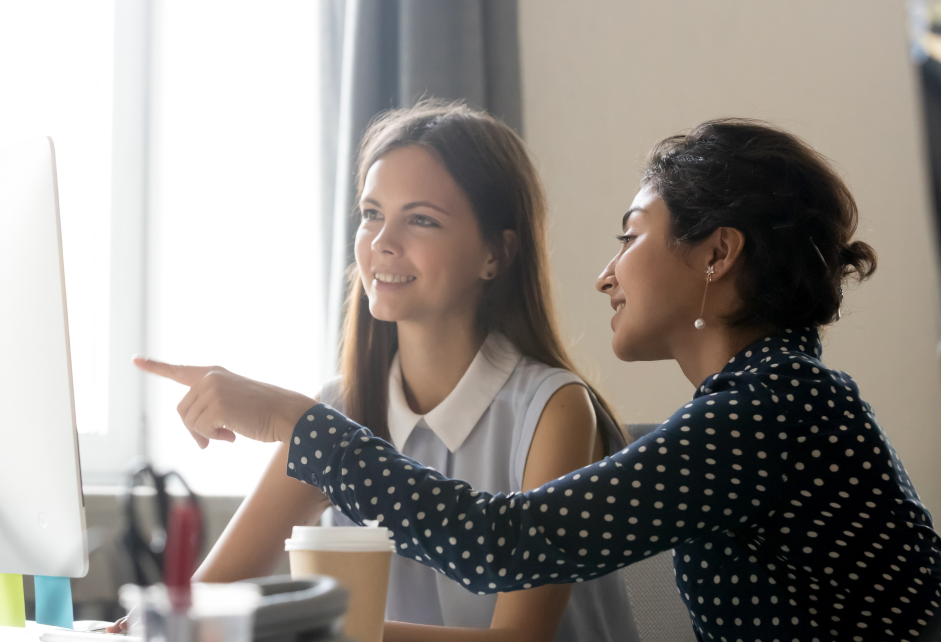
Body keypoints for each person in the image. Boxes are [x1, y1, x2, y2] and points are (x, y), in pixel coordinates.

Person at [136, 119, 941, 641]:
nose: (606, 274)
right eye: (372, 213)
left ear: (717, 254)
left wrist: (293, 422)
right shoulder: (761, 403)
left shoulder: (773, 410)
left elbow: (506, 543)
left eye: (632, 237)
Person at [125, 102, 639, 642]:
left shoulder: (553, 409)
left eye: (421, 219)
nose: (381, 242)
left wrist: (319, 628)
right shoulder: (340, 410)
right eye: (372, 214)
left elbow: (518, 639)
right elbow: (207, 595)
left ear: (495, 252)